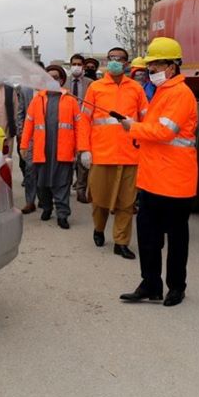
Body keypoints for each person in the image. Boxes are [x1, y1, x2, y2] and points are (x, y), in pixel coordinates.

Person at [118, 37, 198, 307]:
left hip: (175, 181)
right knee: (148, 236)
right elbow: (154, 130)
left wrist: (133, 127)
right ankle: (150, 284)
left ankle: (176, 287)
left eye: (157, 65)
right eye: (150, 66)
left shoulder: (180, 94)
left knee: (176, 239)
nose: (151, 71)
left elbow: (166, 132)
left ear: (173, 66)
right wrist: (137, 129)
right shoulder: (163, 92)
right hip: (153, 178)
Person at [78, 47, 148, 259]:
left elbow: (146, 120)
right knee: (99, 199)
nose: (115, 61)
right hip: (101, 154)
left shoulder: (136, 89)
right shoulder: (96, 88)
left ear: (127, 63)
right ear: (107, 62)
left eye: (120, 58)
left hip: (130, 155)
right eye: (112, 58)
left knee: (126, 203)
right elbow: (85, 121)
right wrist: (84, 150)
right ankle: (98, 229)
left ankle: (121, 242)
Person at [20, 65, 81, 229]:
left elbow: (78, 126)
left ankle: (62, 214)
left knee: (62, 183)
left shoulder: (71, 100)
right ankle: (46, 208)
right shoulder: (37, 99)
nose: (52, 80)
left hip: (63, 150)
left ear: (61, 80)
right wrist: (24, 144)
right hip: (42, 150)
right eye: (48, 77)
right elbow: (29, 124)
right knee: (41, 183)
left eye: (55, 77)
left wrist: (81, 148)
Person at [16, 61, 46, 214]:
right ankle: (30, 201)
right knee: (30, 170)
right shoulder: (25, 90)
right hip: (30, 138)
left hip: (47, 138)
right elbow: (20, 112)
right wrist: (22, 133)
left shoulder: (49, 89)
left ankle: (43, 199)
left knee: (43, 170)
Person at [67, 54, 95, 203]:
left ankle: (81, 190)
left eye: (79, 64)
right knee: (67, 158)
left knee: (83, 160)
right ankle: (65, 187)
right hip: (67, 125)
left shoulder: (90, 84)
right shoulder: (64, 84)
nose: (76, 66)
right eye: (74, 64)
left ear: (83, 67)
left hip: (83, 125)